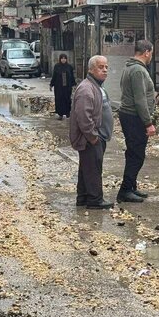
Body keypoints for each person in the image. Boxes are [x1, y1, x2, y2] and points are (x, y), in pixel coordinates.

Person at [69, 55, 114, 209]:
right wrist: (93, 137)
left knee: (86, 168)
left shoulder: (96, 86)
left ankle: (83, 198)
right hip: (91, 138)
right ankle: (95, 200)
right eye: (101, 67)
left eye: (106, 67)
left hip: (97, 136)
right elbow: (83, 117)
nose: (105, 70)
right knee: (93, 168)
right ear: (91, 69)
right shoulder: (86, 89)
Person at [116, 40, 156, 203]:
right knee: (136, 155)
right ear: (146, 52)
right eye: (151, 53)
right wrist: (148, 123)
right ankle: (125, 190)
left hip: (129, 115)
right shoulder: (138, 70)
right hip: (134, 117)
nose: (151, 56)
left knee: (133, 152)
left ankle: (131, 186)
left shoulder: (129, 67)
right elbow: (140, 99)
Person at [50, 54, 76, 120]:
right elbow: (54, 76)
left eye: (64, 58)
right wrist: (51, 85)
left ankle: (67, 113)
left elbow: (72, 77)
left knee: (67, 99)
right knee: (59, 100)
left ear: (66, 59)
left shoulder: (69, 67)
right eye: (62, 58)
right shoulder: (57, 66)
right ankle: (60, 114)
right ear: (60, 59)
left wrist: (74, 85)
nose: (63, 60)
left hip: (67, 87)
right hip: (59, 87)